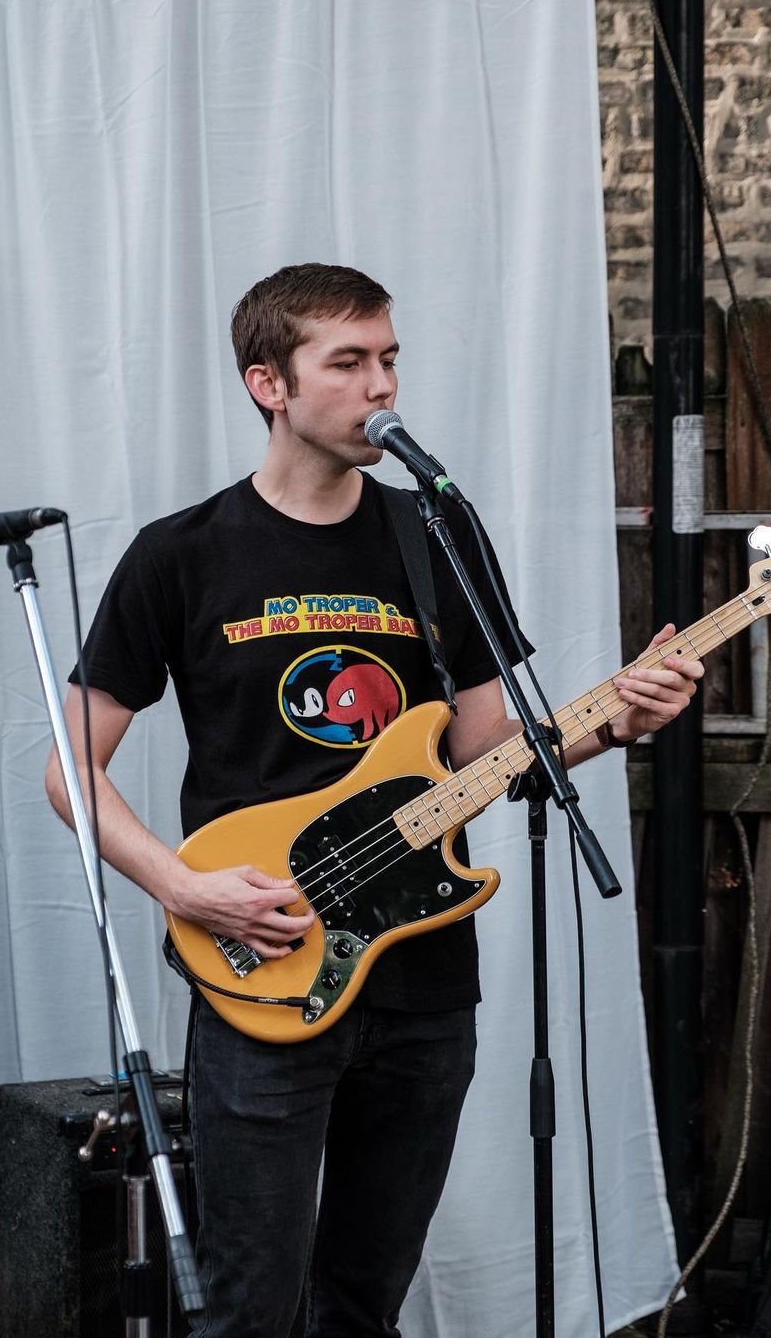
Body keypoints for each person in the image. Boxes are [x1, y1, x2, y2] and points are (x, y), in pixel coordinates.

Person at [45, 262, 703, 1337]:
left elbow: (491, 747)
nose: (380, 384)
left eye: (389, 356)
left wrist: (617, 718)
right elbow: (70, 765)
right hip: (267, 965)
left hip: (422, 978)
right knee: (248, 1305)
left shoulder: (434, 529)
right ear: (270, 383)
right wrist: (186, 886)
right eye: (347, 361)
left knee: (362, 1304)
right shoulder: (183, 553)